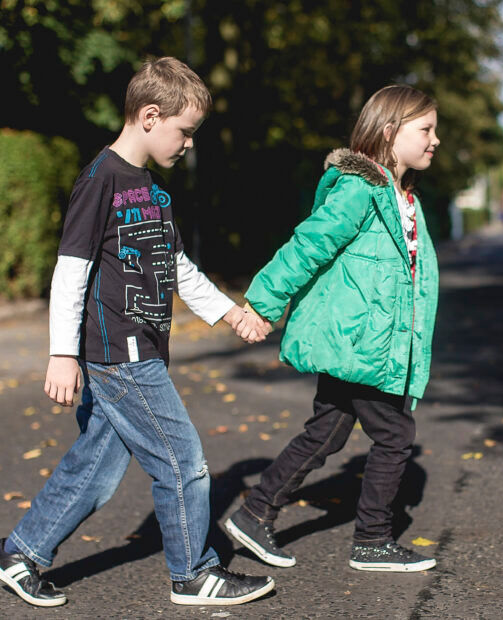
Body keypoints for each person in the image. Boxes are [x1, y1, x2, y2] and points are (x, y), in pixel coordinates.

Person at [0, 57, 274, 608]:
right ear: (150, 116)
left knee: (95, 472)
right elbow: (71, 270)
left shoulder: (150, 189)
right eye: (185, 131)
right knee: (183, 459)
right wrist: (61, 354)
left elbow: (179, 270)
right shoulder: (99, 179)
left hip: (140, 347)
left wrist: (232, 313)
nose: (189, 144)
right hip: (118, 354)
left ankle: (19, 556)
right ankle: (193, 573)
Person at [224, 84, 441, 572]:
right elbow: (309, 245)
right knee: (395, 435)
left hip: (370, 343)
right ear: (390, 132)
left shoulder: (404, 197)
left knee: (329, 430)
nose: (435, 140)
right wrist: (263, 303)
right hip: (357, 341)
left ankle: (256, 512)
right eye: (425, 129)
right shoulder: (360, 188)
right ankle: (373, 539)